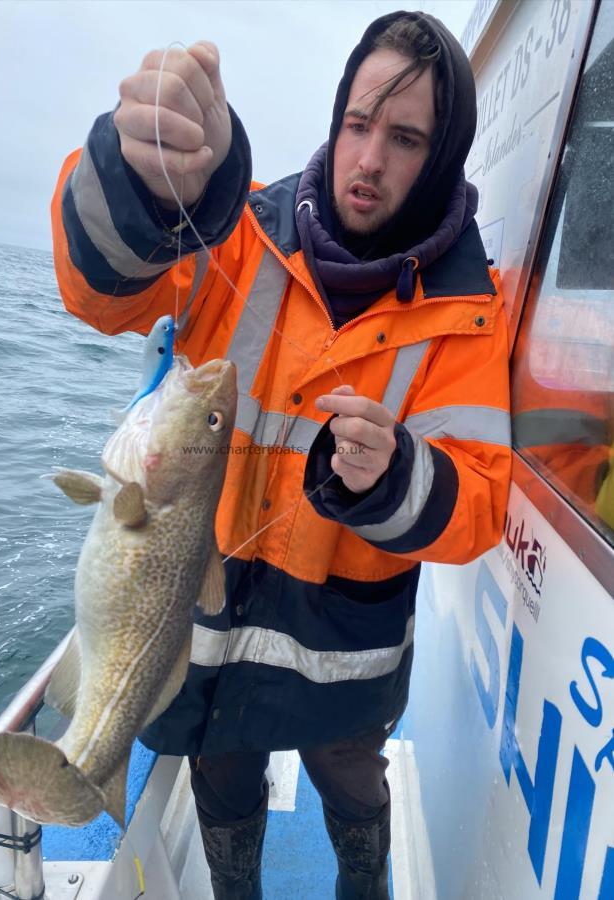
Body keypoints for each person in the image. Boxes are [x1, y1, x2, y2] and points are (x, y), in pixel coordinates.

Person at [51, 11, 512, 899]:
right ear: (335, 122)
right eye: (356, 124)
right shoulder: (238, 231)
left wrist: (400, 474)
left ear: (442, 156)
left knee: (353, 794)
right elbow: (100, 294)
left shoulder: (471, 313)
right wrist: (148, 179)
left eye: (405, 137)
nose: (368, 159)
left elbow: (480, 509)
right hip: (201, 628)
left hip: (347, 655)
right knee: (222, 789)